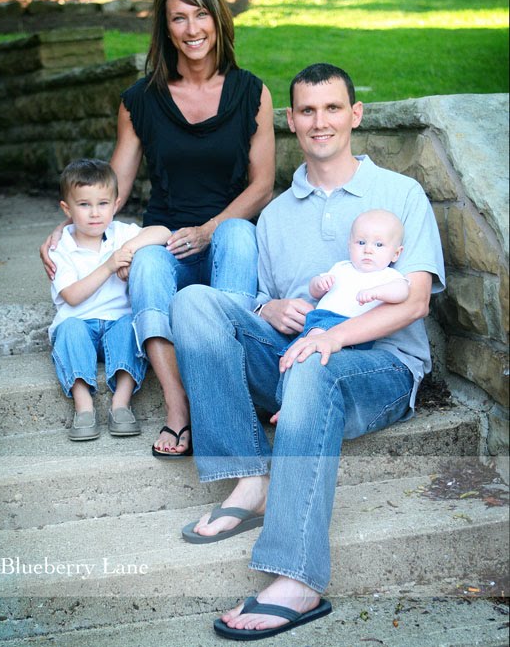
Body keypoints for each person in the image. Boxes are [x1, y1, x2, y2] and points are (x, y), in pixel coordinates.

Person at [171, 63, 445, 640]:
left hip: (380, 367)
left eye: (333, 108)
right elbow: (261, 302)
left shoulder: (400, 194)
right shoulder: (274, 215)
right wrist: (271, 309)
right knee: (195, 302)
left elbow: (415, 301)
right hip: (291, 355)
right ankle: (249, 477)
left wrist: (332, 337)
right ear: (291, 121)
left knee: (313, 370)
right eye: (307, 111)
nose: (321, 121)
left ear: (355, 114)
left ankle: (296, 578)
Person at [40, 0, 275, 457]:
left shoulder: (252, 92)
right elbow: (114, 187)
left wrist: (208, 230)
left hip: (226, 240)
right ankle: (178, 409)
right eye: (178, 18)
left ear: (219, 20)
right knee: (146, 261)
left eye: (201, 14)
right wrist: (67, 227)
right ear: (165, 28)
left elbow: (262, 186)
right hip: (167, 241)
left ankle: (228, 395)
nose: (192, 29)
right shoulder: (141, 100)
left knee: (237, 233)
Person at [49, 159, 170, 441]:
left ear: (115, 205)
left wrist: (130, 248)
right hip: (79, 322)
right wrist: (109, 265)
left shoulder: (120, 233)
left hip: (116, 322)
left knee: (131, 326)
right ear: (67, 209)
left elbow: (163, 232)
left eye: (103, 204)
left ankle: (121, 404)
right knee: (69, 331)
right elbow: (72, 296)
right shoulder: (60, 247)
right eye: (84, 205)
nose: (95, 213)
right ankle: (84, 408)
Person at [280, 208, 409, 357]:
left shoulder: (388, 275)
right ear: (349, 246)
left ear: (396, 253)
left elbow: (402, 292)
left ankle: (302, 354)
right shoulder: (341, 268)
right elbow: (314, 292)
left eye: (379, 245)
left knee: (310, 346)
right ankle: (294, 357)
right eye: (361, 242)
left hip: (357, 328)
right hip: (323, 318)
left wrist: (377, 292)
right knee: (304, 345)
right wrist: (319, 283)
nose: (368, 249)